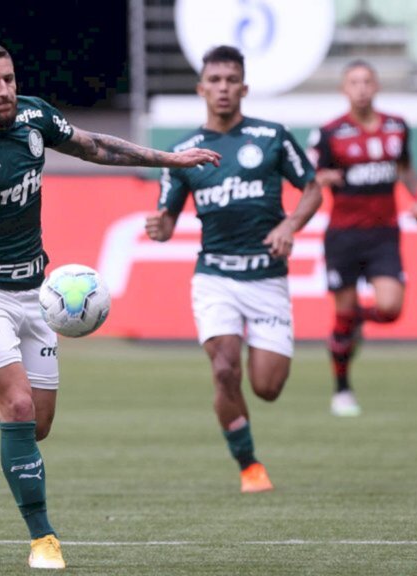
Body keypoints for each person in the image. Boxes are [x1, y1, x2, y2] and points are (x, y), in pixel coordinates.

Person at [0, 41, 220, 569]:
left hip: (38, 294)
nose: (3, 89)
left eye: (7, 78)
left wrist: (169, 159)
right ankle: (42, 538)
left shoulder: (33, 115)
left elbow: (95, 146)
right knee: (19, 409)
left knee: (36, 422)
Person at [144, 45, 322, 494]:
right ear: (201, 88)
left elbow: (313, 190)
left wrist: (289, 223)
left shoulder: (272, 136)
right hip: (215, 278)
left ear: (244, 87)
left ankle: (253, 399)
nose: (223, 88)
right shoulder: (183, 153)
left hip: (267, 279)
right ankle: (249, 467)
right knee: (224, 368)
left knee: (267, 387)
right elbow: (166, 219)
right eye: (215, 80)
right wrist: (160, 225)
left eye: (231, 80)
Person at [308, 60, 417, 417]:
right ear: (344, 89)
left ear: (376, 87)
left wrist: (416, 199)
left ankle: (357, 321)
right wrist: (323, 177)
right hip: (343, 236)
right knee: (341, 314)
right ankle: (342, 389)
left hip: (383, 234)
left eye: (366, 81)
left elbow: (404, 167)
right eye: (354, 82)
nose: (360, 88)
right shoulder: (330, 132)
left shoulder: (397, 127)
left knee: (390, 308)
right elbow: (307, 171)